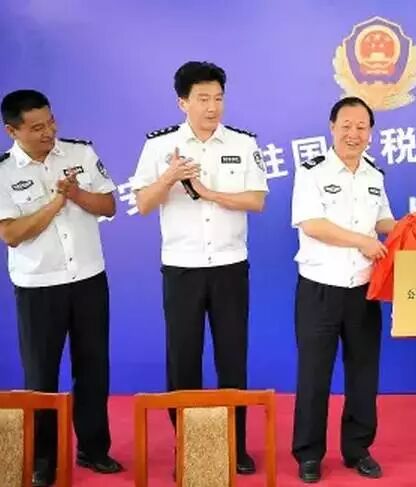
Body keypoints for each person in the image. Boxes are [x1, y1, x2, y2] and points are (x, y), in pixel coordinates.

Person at [130, 61, 268, 475]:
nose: (212, 107)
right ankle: (188, 447)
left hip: (229, 267)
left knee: (232, 359)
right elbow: (142, 204)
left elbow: (256, 200)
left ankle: (235, 446)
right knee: (183, 361)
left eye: (218, 98)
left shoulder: (243, 142)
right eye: (203, 99)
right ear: (183, 102)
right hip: (182, 269)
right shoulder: (160, 146)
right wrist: (169, 177)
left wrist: (209, 192)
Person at [0, 89, 123, 486]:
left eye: (51, 121)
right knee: (41, 376)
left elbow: (108, 206)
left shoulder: (80, 153)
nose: (48, 132)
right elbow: (12, 234)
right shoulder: (3, 172)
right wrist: (56, 203)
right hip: (39, 286)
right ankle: (44, 460)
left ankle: (94, 449)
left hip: (88, 279)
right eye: (37, 127)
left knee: (93, 368)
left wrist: (76, 194)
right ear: (12, 131)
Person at [290, 96, 396, 483]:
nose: (354, 134)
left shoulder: (373, 174)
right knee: (314, 375)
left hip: (363, 290)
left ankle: (358, 449)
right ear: (332, 127)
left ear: (371, 133)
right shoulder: (312, 171)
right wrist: (361, 241)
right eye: (346, 126)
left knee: (363, 374)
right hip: (320, 288)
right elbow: (312, 224)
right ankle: (308, 454)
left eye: (361, 127)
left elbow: (383, 221)